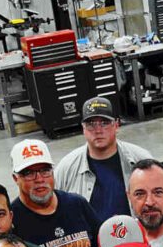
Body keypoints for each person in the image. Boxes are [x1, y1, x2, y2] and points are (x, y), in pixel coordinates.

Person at [9, 138, 99, 247]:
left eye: (45, 171)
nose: (39, 179)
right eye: (28, 173)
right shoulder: (13, 222)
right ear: (15, 178)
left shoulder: (77, 204)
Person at [53, 96, 152, 224]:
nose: (98, 130)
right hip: (89, 243)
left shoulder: (141, 159)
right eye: (91, 124)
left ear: (116, 125)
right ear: (83, 128)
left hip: (137, 239)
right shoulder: (66, 168)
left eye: (104, 123)